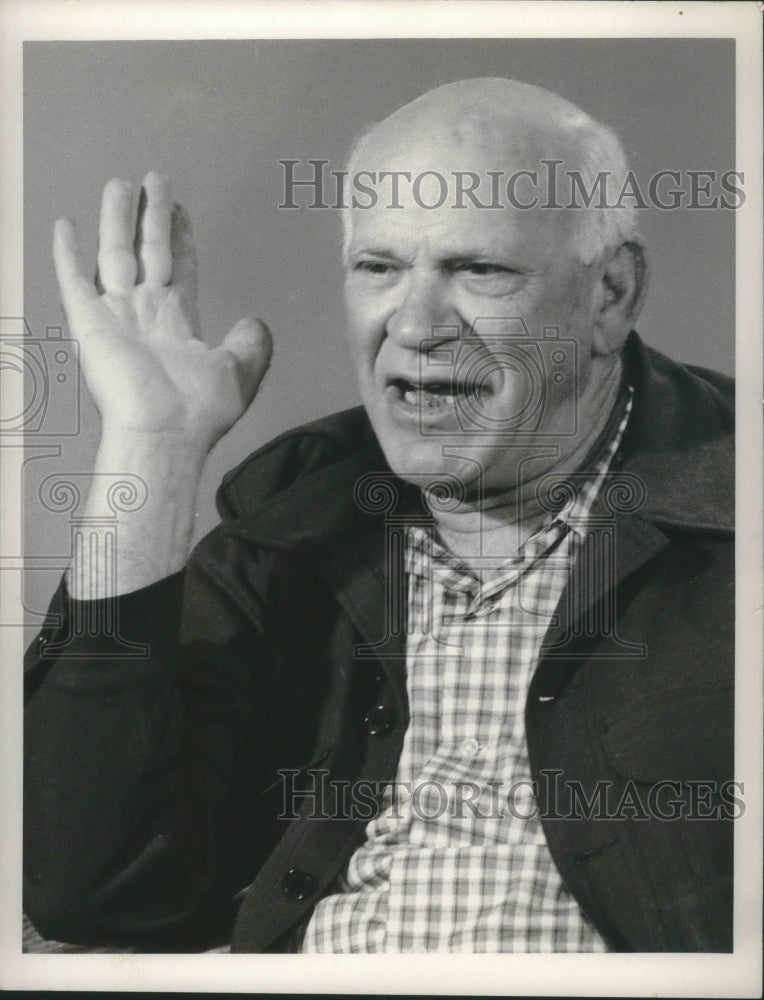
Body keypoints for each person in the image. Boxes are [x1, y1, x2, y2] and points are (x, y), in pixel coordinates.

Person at [23, 78, 734, 953]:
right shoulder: (296, 521)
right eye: (380, 267)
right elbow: (89, 885)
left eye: (481, 269)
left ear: (610, 296)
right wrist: (152, 448)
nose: (418, 324)